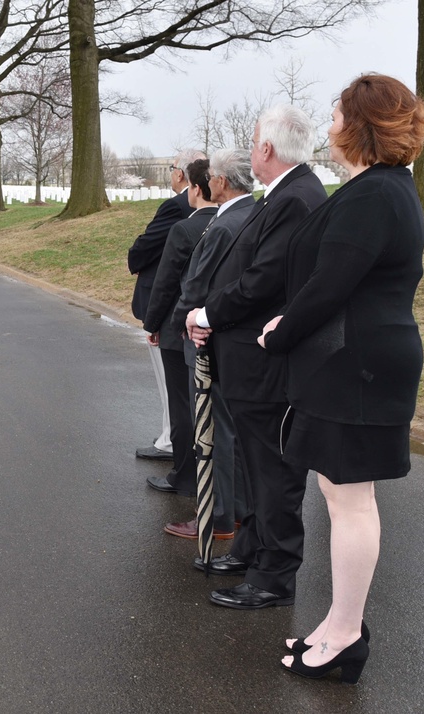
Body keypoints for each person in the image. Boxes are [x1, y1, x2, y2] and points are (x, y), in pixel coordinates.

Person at [258, 75, 424, 683]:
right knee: (342, 497)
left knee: (351, 501)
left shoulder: (375, 194)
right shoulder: (379, 188)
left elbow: (331, 285)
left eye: (335, 112)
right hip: (356, 359)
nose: (328, 121)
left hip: (356, 365)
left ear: (358, 125)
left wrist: (280, 333)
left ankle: (346, 636)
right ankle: (338, 627)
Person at [186, 106, 327, 610]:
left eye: (252, 142)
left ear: (266, 149)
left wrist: (207, 312)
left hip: (264, 361)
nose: (251, 150)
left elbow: (263, 282)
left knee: (272, 468)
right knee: (252, 461)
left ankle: (275, 573)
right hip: (248, 357)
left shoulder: (297, 197)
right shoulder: (288, 193)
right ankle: (253, 545)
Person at [167, 149, 256, 545]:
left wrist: (182, 322)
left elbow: (196, 285)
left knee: (214, 431)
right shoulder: (252, 213)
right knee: (230, 431)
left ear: (221, 182)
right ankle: (235, 510)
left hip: (207, 339)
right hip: (233, 338)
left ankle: (218, 514)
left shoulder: (223, 225)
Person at [141, 158, 217, 520]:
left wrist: (151, 323)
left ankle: (184, 475)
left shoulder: (185, 230)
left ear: (196, 188)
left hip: (178, 327)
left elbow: (166, 282)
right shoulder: (234, 221)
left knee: (184, 405)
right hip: (216, 324)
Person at [128, 149, 204, 477]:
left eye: (173, 167)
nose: (171, 172)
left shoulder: (177, 206)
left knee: (169, 383)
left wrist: (133, 259)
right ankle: (168, 438)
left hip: (168, 304)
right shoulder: (194, 207)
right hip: (184, 304)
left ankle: (172, 442)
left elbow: (149, 244)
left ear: (181, 174)